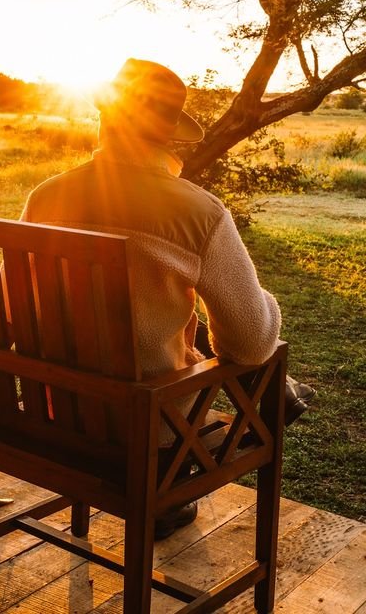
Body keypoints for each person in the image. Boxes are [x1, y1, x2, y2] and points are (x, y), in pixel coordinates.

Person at [20, 58, 314, 538]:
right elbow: (250, 345)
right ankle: (169, 487)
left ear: (105, 117)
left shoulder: (46, 196)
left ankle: (168, 488)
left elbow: (21, 312)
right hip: (147, 435)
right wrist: (264, 299)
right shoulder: (198, 212)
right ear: (169, 133)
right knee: (269, 367)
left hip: (54, 415)